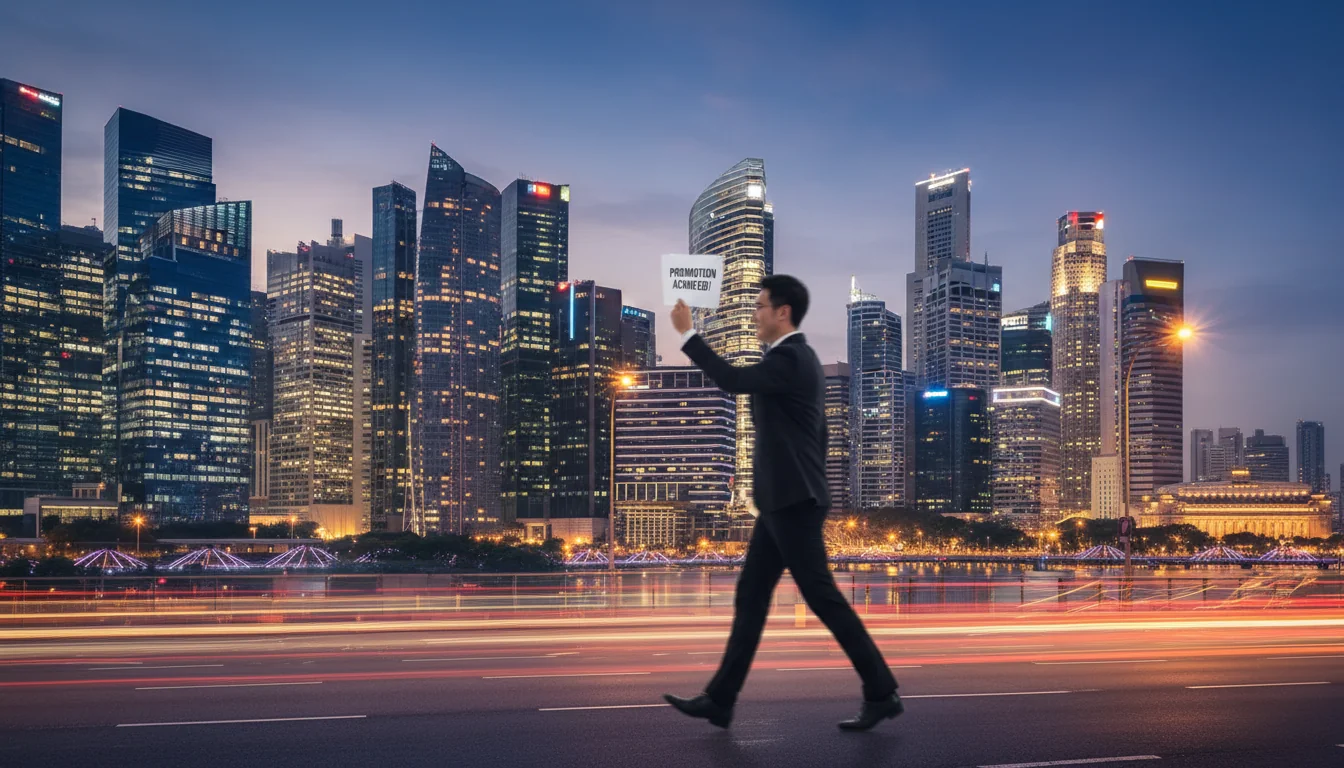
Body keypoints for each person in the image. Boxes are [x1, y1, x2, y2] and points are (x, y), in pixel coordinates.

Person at [662, 275, 903, 732]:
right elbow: (816, 435)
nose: (754, 313)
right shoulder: (798, 361)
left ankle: (882, 690)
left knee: (823, 598)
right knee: (751, 595)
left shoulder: (790, 358)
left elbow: (732, 380)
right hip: (783, 501)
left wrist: (688, 333)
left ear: (783, 312)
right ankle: (720, 699)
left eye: (760, 306)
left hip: (792, 503)